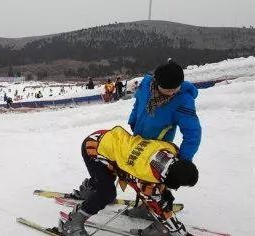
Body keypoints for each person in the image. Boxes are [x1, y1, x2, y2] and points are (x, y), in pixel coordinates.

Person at [59, 126, 198, 236]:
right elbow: (157, 205)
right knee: (107, 193)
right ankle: (72, 223)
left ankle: (95, 188)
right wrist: (179, 231)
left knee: (112, 179)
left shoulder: (170, 150)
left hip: (112, 142)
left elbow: (160, 185)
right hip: (95, 148)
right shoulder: (143, 176)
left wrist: (162, 195)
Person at [126, 60, 201, 220]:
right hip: (139, 140)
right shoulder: (146, 85)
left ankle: (160, 211)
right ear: (156, 82)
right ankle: (145, 205)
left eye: (176, 88)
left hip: (159, 148)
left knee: (154, 179)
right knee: (138, 174)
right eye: (168, 90)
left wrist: (184, 160)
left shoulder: (183, 100)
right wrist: (132, 120)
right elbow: (137, 103)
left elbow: (193, 132)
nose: (172, 92)